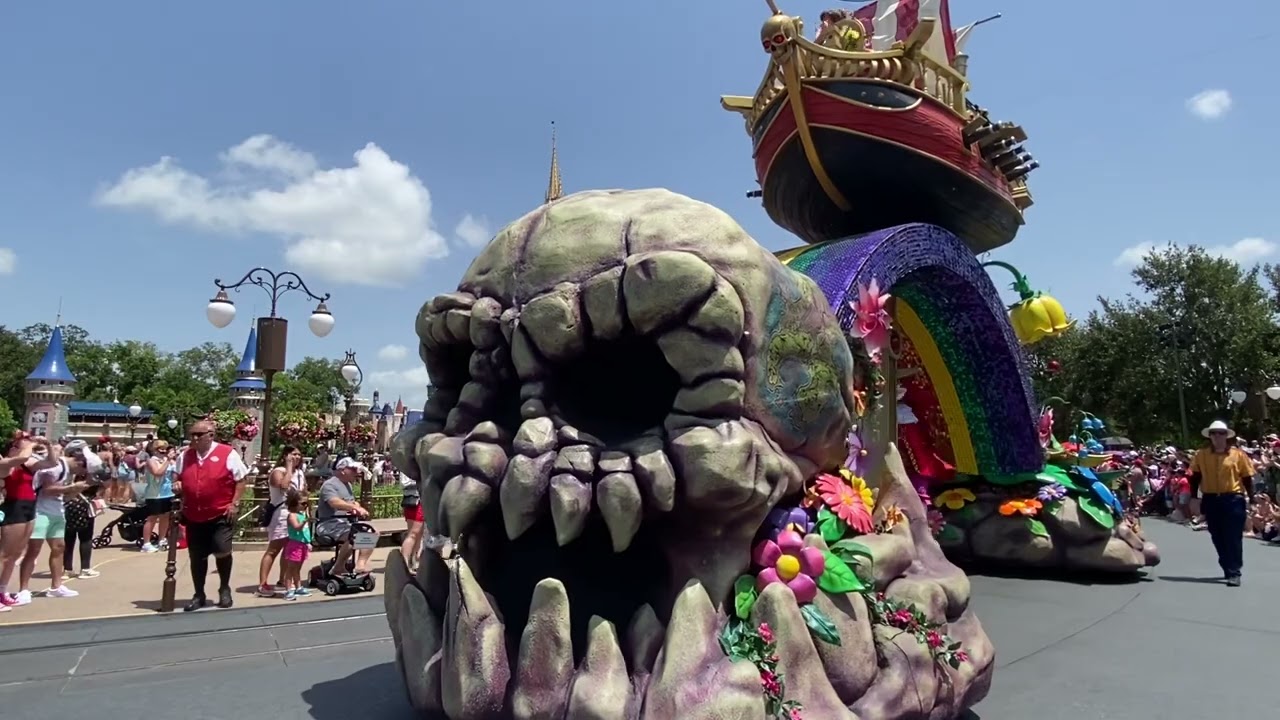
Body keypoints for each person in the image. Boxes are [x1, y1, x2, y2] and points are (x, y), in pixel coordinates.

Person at [173, 420, 249, 611]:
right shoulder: (185, 456)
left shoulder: (227, 453)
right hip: (194, 514)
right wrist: (178, 485)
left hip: (220, 513)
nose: (195, 438)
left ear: (211, 435)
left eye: (199, 435)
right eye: (192, 434)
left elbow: (241, 479)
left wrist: (235, 503)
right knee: (197, 556)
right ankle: (199, 594)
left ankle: (224, 588)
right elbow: (177, 477)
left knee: (222, 550)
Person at [1189, 420, 1255, 587]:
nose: (1218, 436)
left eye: (1221, 433)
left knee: (1233, 536)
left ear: (1227, 436)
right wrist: (1194, 497)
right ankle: (1227, 564)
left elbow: (1247, 478)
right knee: (1216, 535)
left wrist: (1252, 499)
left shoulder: (1238, 455)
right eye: (1214, 433)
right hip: (1211, 499)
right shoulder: (1201, 455)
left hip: (1233, 498)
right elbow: (1195, 477)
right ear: (1209, 436)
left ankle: (1234, 571)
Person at [22, 442, 92, 599]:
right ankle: (24, 589)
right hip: (40, 511)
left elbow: (63, 496)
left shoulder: (68, 471)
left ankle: (56, 586)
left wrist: (76, 490)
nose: (82, 473)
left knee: (59, 548)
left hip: (57, 511)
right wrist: (72, 487)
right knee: (33, 551)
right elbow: (47, 490)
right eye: (84, 470)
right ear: (80, 462)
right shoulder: (56, 467)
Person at [256, 446, 305, 598]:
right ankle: (263, 584)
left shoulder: (300, 473)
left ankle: (284, 579)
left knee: (290, 549)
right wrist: (289, 467)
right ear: (285, 456)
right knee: (274, 549)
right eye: (293, 454)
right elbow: (283, 486)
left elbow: (303, 493)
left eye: (298, 454)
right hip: (281, 514)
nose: (296, 457)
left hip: (296, 515)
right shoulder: (278, 471)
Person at [0, 434, 40, 610]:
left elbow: (48, 463)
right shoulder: (5, 464)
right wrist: (31, 443)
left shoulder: (25, 466)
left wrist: (42, 445)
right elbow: (23, 456)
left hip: (28, 508)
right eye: (15, 446)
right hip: (13, 507)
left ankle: (3, 591)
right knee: (4, 555)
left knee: (15, 555)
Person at [316, 457, 373, 575]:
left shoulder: (348, 485)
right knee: (356, 535)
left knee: (371, 532)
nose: (356, 472)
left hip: (345, 523)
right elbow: (334, 502)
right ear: (342, 470)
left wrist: (357, 506)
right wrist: (354, 507)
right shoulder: (329, 485)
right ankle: (338, 566)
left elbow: (351, 502)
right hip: (328, 523)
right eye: (352, 469)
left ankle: (360, 564)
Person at [61, 440, 103, 579]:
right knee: (85, 536)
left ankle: (67, 569)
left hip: (68, 502)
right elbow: (98, 480)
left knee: (69, 537)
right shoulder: (91, 462)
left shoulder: (65, 465)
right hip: (84, 501)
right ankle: (85, 568)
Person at [139, 439, 176, 553]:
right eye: (161, 449)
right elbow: (158, 472)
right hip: (154, 494)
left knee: (165, 517)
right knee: (152, 518)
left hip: (167, 493)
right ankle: (146, 543)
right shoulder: (151, 461)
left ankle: (161, 540)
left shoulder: (167, 461)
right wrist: (168, 460)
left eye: (165, 449)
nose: (164, 451)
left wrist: (171, 460)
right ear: (154, 450)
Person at [280, 488, 313, 601]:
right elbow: (296, 527)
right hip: (294, 545)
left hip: (302, 544)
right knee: (291, 568)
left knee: (297, 568)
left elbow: (305, 532)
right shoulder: (292, 515)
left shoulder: (302, 514)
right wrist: (304, 521)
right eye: (303, 503)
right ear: (295, 503)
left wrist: (308, 542)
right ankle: (289, 589)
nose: (305, 506)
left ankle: (298, 587)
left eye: (306, 503)